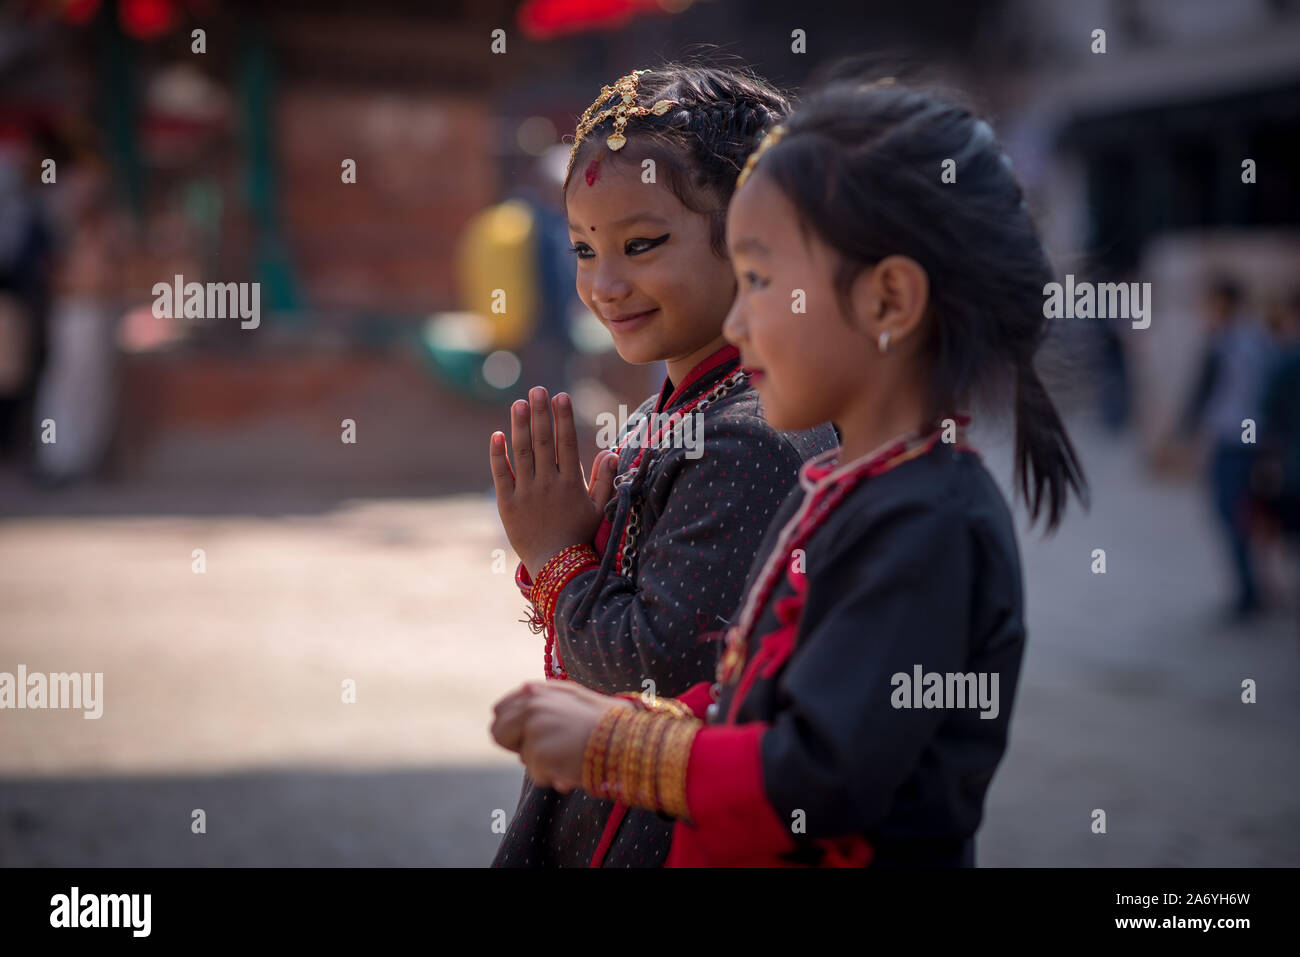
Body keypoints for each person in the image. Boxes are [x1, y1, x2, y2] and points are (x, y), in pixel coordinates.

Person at [490, 77, 1089, 867]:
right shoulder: (853, 487)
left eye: (762, 281)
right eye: (582, 248)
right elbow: (755, 695)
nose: (739, 318)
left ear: (889, 300)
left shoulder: (928, 519)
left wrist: (615, 738)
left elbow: (821, 775)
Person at [487, 62, 836, 866]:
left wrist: (556, 557)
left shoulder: (750, 436)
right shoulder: (674, 412)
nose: (604, 285)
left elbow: (650, 678)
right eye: (582, 248)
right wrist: (581, 542)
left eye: (641, 245)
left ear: (754, 244)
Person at [1178, 276, 1277, 619]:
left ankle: (1249, 591)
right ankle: (1250, 587)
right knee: (1238, 514)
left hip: (1237, 440)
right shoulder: (1256, 340)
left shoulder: (1234, 342)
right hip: (1243, 438)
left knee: (1233, 513)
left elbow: (1209, 393)